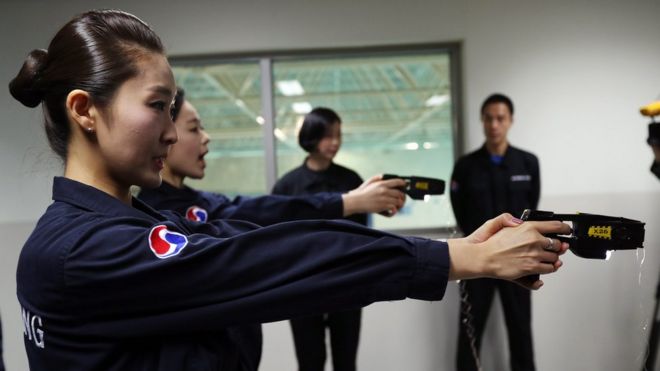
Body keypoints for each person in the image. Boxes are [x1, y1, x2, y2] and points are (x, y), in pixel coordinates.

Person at [9, 10, 570, 371]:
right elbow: (261, 258)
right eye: (157, 106)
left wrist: (353, 207)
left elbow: (259, 225)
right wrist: (456, 255)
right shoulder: (82, 251)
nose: (173, 131)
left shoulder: (132, 221)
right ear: (84, 110)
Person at [138, 90, 406, 371]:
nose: (206, 137)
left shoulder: (204, 202)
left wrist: (351, 203)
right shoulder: (154, 215)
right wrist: (348, 202)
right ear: (164, 134)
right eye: (194, 128)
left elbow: (266, 209)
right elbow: (276, 214)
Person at [451, 93, 541, 371]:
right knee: (469, 331)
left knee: (521, 330)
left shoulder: (527, 163)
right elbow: (460, 210)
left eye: (500, 118)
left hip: (519, 259)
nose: (494, 124)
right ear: (482, 121)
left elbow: (531, 208)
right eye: (488, 118)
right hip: (477, 259)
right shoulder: (465, 167)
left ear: (510, 121)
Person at [272, 107, 364, 371]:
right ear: (311, 136)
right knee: (309, 361)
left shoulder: (351, 180)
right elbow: (279, 241)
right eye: (327, 135)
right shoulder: (287, 187)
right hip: (303, 284)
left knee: (346, 361)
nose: (334, 142)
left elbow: (362, 235)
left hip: (347, 282)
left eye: (338, 134)